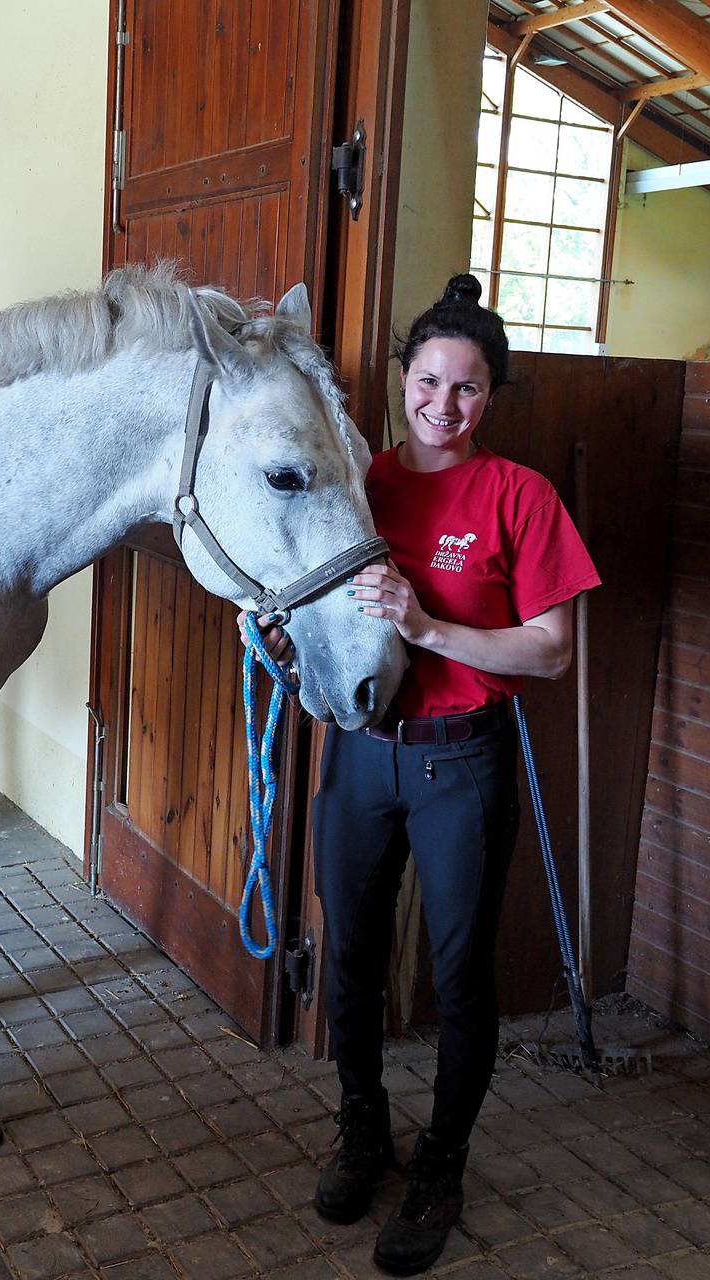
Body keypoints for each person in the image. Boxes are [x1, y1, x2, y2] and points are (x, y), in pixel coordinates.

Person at [257, 275, 600, 1275]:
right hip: (361, 755)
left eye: (469, 389)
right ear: (403, 378)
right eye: (430, 380)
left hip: (462, 762)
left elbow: (549, 652)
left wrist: (428, 626)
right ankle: (362, 1129)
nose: (444, 405)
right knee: (354, 953)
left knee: (457, 972)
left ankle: (441, 1165)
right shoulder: (359, 481)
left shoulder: (518, 496)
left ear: (489, 398)